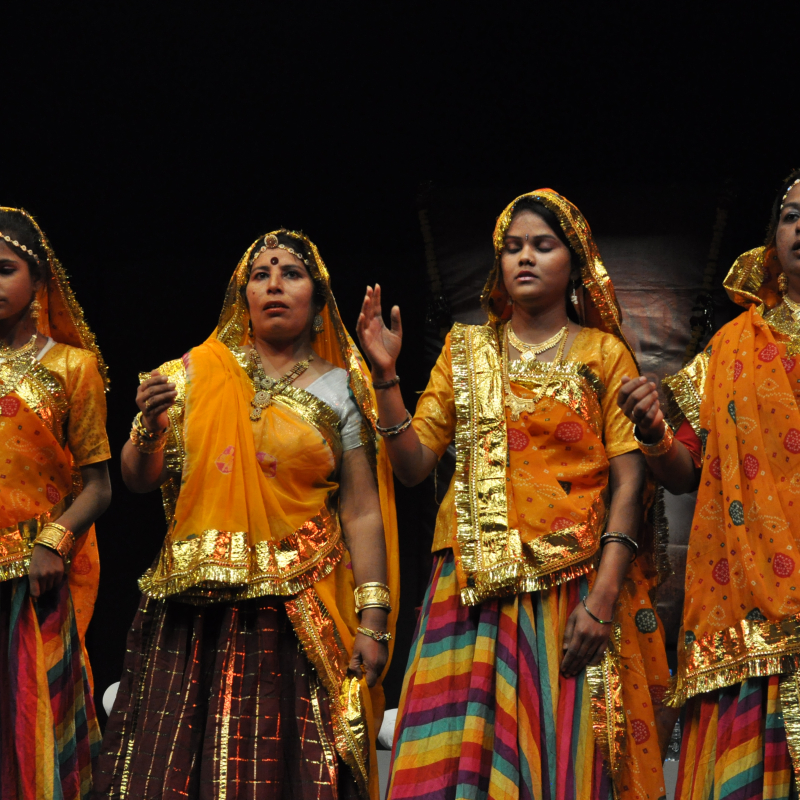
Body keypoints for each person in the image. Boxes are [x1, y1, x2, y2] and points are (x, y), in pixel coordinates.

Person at [357, 189, 671, 800]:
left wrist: (604, 600)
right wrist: (387, 378)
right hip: (470, 591)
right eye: (512, 247)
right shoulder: (465, 348)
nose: (524, 258)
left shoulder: (604, 355)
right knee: (462, 772)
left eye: (542, 246)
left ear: (574, 263)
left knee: (572, 761)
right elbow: (414, 464)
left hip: (574, 590)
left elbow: (632, 480)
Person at [93, 229, 399, 800]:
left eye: (291, 274)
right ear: (243, 297)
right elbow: (138, 478)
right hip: (193, 617)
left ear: (318, 300)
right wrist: (148, 427)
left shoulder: (342, 390)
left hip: (299, 610)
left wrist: (374, 621)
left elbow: (361, 511)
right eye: (260, 275)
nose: (274, 285)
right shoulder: (194, 373)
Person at [617, 169, 800, 798]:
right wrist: (653, 432)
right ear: (772, 238)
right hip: (743, 602)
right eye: (792, 216)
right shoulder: (731, 346)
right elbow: (683, 468)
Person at [0, 207, 111, 799]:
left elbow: (99, 485)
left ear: (39, 282)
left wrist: (55, 539)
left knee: (33, 732)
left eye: (4, 270)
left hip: (34, 577)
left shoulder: (72, 367)